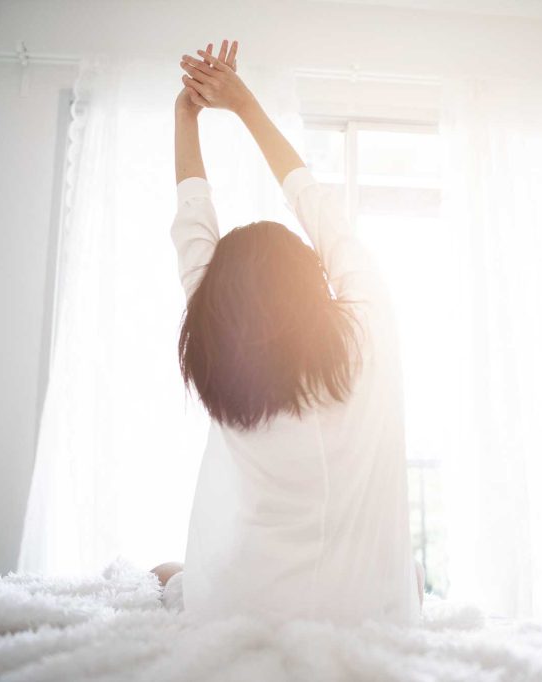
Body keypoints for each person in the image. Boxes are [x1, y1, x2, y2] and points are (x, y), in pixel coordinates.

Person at [152, 39, 423, 624]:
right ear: (313, 283)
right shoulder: (366, 333)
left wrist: (185, 116)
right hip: (366, 612)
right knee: (414, 579)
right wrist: (245, 105)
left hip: (247, 608)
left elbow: (192, 227)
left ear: (219, 304)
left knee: (163, 574)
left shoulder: (220, 354)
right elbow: (317, 206)